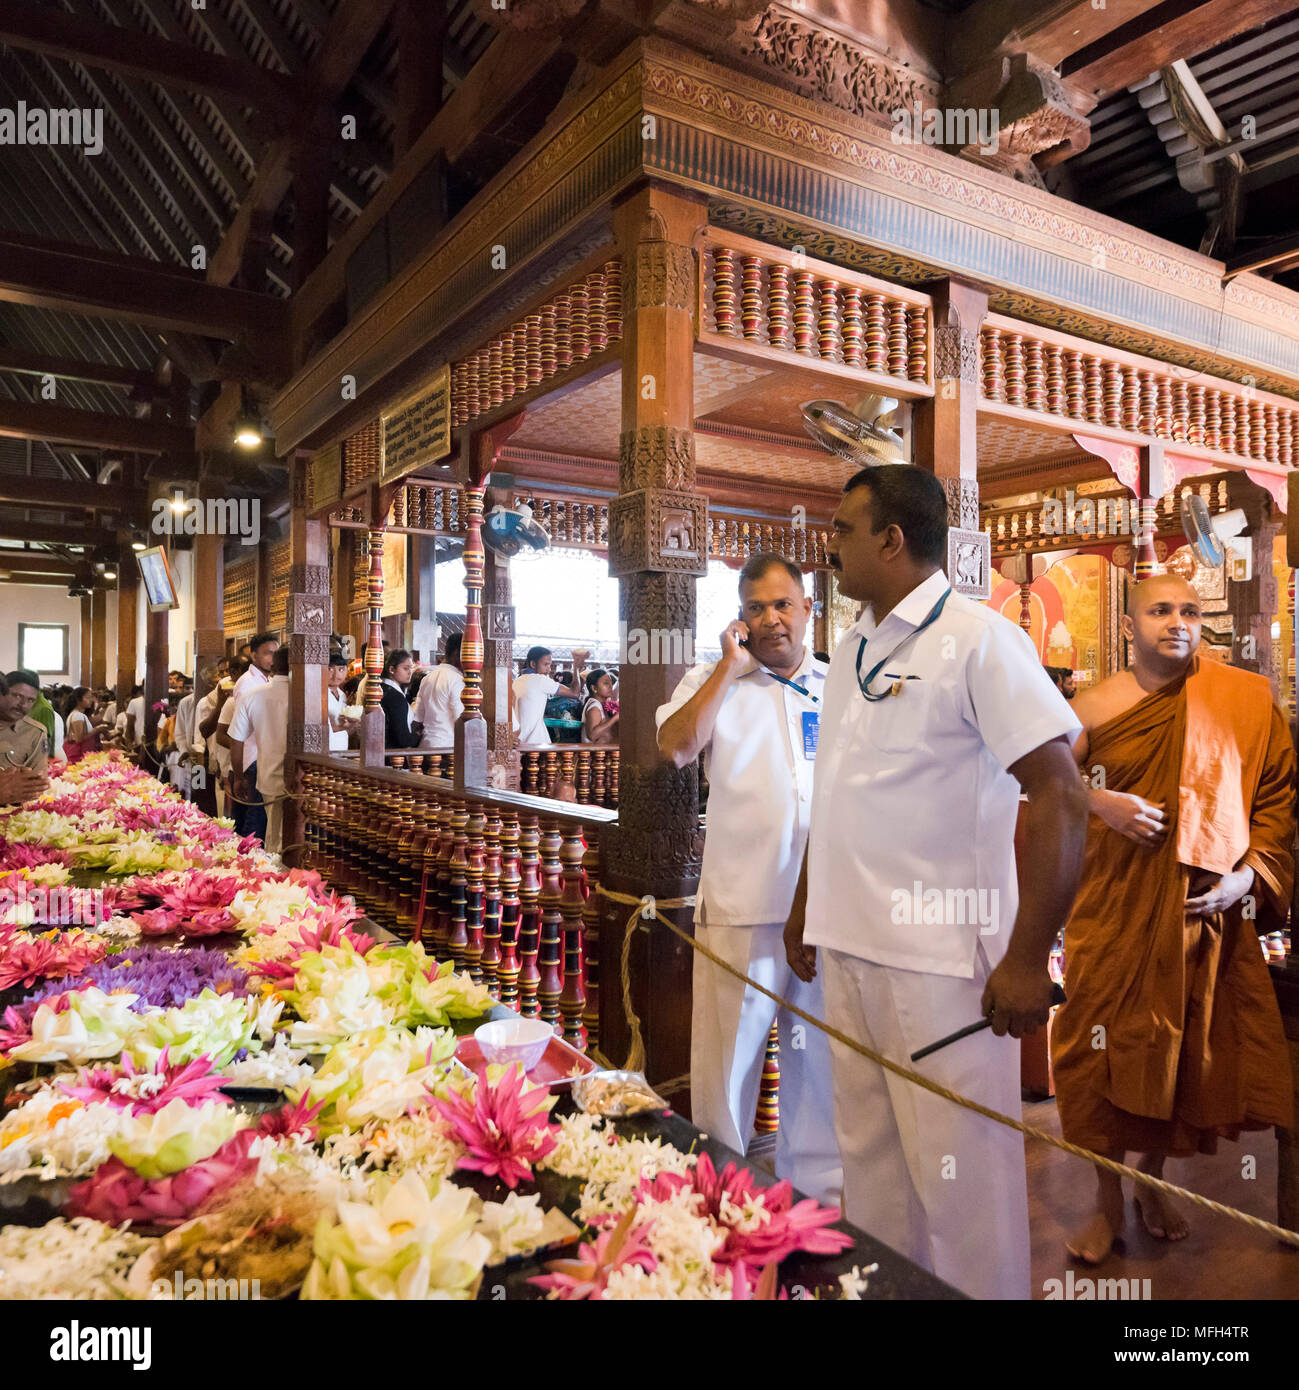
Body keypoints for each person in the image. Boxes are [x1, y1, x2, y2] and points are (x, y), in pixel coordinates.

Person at [784, 466, 1089, 1300]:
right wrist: (809, 901)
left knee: (962, 1190)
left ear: (892, 538)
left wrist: (1029, 959)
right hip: (849, 948)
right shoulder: (849, 647)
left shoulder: (981, 640)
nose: (831, 544)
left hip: (943, 965)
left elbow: (1061, 793)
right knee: (872, 1171)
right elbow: (838, 790)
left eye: (844, 529)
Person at [1051, 574, 1296, 1264]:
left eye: (1188, 611)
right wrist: (1102, 804)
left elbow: (1276, 797)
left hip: (1199, 917)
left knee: (1176, 1059)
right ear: (1128, 626)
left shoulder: (1239, 699)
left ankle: (1149, 1181)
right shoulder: (1091, 706)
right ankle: (1104, 1203)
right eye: (1159, 610)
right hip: (1108, 913)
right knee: (1092, 1056)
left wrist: (1247, 877)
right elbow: (1040, 786)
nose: (1177, 622)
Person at [658, 554, 841, 1207]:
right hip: (741, 906)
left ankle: (818, 1194)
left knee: (818, 1061)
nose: (770, 619)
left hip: (824, 911)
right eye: (755, 608)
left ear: (807, 609)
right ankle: (720, 1194)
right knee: (727, 1062)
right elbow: (676, 747)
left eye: (782, 604)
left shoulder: (839, 683)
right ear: (739, 618)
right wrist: (725, 670)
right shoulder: (714, 682)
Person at [229, 647, 290, 854]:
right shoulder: (310, 695)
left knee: (273, 835)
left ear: (273, 666)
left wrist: (238, 777)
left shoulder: (252, 696)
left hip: (268, 777)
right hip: (305, 780)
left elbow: (236, 740)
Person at [218, 634, 277, 837]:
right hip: (251, 760)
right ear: (254, 655)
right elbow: (240, 731)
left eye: (275, 653)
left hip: (259, 758)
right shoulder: (248, 683)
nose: (273, 658)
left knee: (251, 820)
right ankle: (247, 864)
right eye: (268, 653)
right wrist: (239, 773)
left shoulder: (266, 680)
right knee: (253, 824)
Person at [511, 647, 588, 749]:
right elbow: (574, 693)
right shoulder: (539, 679)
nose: (549, 669)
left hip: (518, 741)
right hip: (535, 742)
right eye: (546, 664)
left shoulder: (516, 681)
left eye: (550, 665)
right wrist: (576, 667)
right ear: (533, 664)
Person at [413, 634, 465, 749]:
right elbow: (461, 720)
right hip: (448, 748)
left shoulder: (427, 678)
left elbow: (418, 719)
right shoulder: (457, 680)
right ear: (457, 654)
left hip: (426, 747)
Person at [0, 670, 48, 775]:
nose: (23, 704)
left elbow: (38, 779)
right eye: (17, 696)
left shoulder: (35, 733)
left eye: (30, 700)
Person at [379, 649, 422, 749]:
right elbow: (403, 739)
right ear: (391, 669)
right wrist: (418, 734)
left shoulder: (383, 688)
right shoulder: (395, 697)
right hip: (392, 754)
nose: (410, 672)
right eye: (405, 668)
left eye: (411, 668)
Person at [326, 652, 357, 751]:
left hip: (342, 750)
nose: (336, 675)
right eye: (330, 669)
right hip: (326, 751)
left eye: (341, 669)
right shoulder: (318, 694)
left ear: (347, 670)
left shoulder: (343, 695)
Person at [62, 687, 100, 763]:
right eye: (87, 697)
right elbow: (79, 738)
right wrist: (97, 730)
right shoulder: (77, 715)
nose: (91, 700)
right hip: (79, 755)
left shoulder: (78, 714)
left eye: (91, 697)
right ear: (78, 700)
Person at [582, 669, 619, 745]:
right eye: (606, 683)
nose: (611, 686)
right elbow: (592, 735)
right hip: (596, 754)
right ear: (594, 688)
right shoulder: (594, 707)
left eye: (611, 683)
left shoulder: (600, 704)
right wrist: (615, 718)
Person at [124, 684, 145, 752]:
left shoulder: (161, 703)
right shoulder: (135, 702)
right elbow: (129, 726)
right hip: (139, 744)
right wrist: (129, 743)